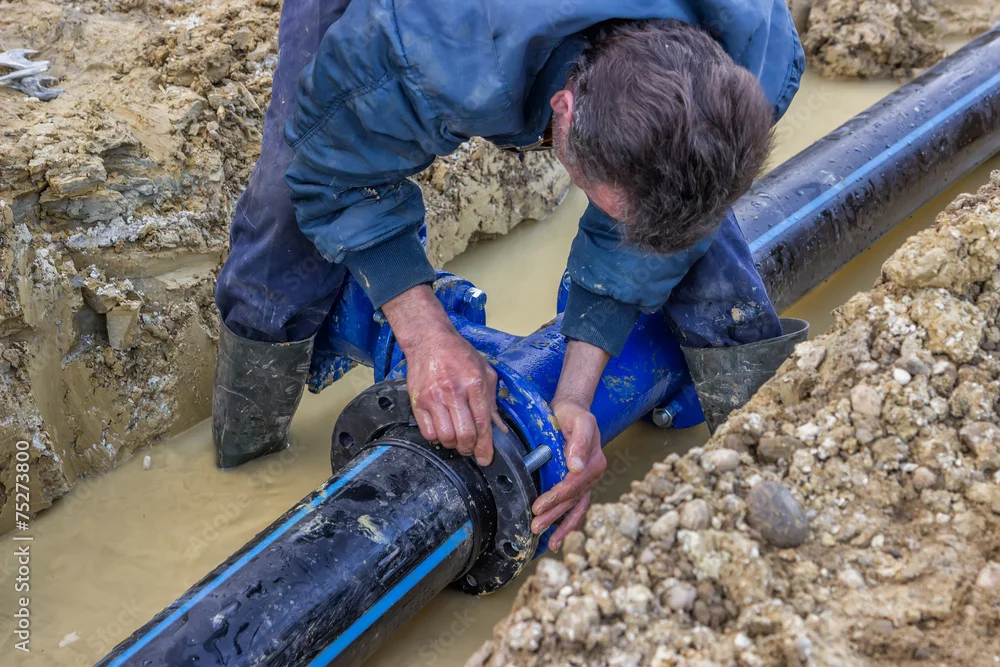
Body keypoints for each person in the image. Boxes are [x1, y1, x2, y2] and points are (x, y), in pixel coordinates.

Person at [214, 0, 804, 551]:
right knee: (286, 199)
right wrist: (426, 338)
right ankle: (245, 448)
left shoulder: (755, 54)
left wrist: (575, 396)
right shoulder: (430, 49)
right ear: (563, 110)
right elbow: (332, 172)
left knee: (686, 219)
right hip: (451, 31)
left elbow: (664, 226)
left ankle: (764, 463)